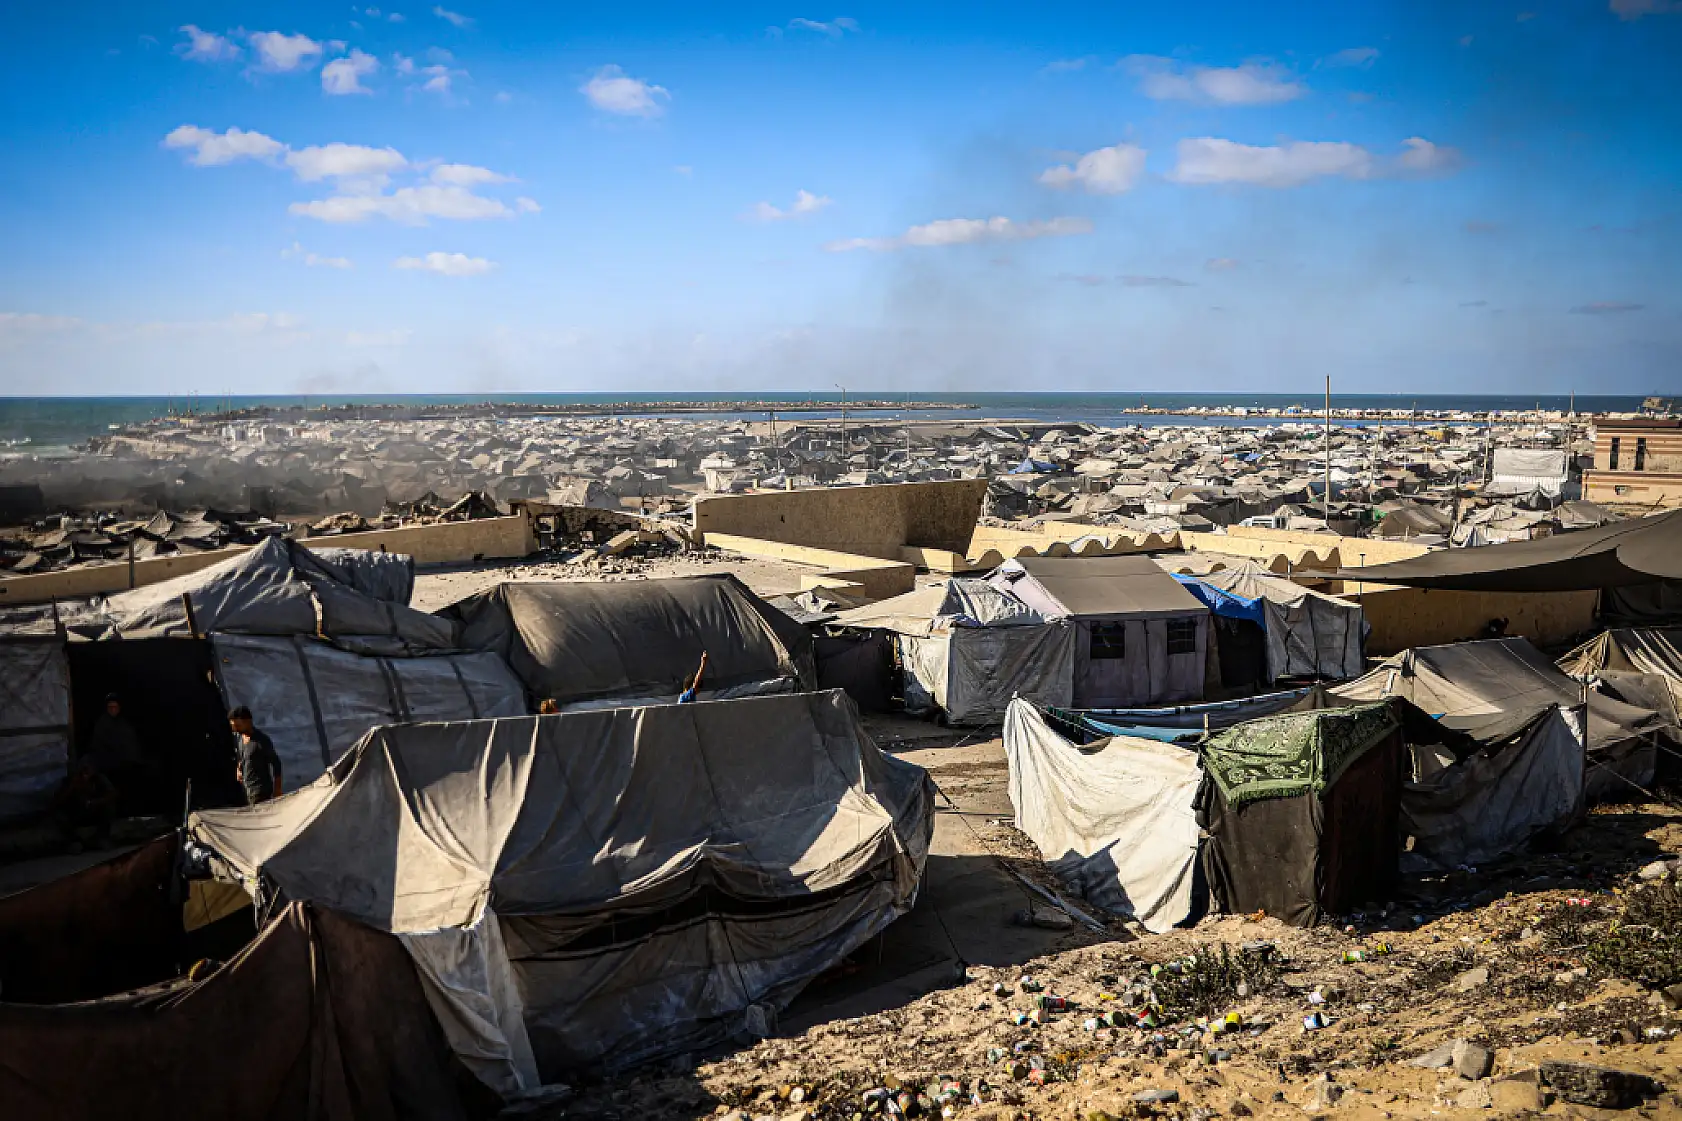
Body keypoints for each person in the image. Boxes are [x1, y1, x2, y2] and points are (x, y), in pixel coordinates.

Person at [228, 705, 282, 805]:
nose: (235, 730)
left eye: (238, 726)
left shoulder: (261, 741)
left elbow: (276, 764)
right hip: (248, 791)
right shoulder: (241, 739)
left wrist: (277, 789)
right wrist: (239, 769)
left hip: (261, 793)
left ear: (248, 722)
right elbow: (242, 756)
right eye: (233, 727)